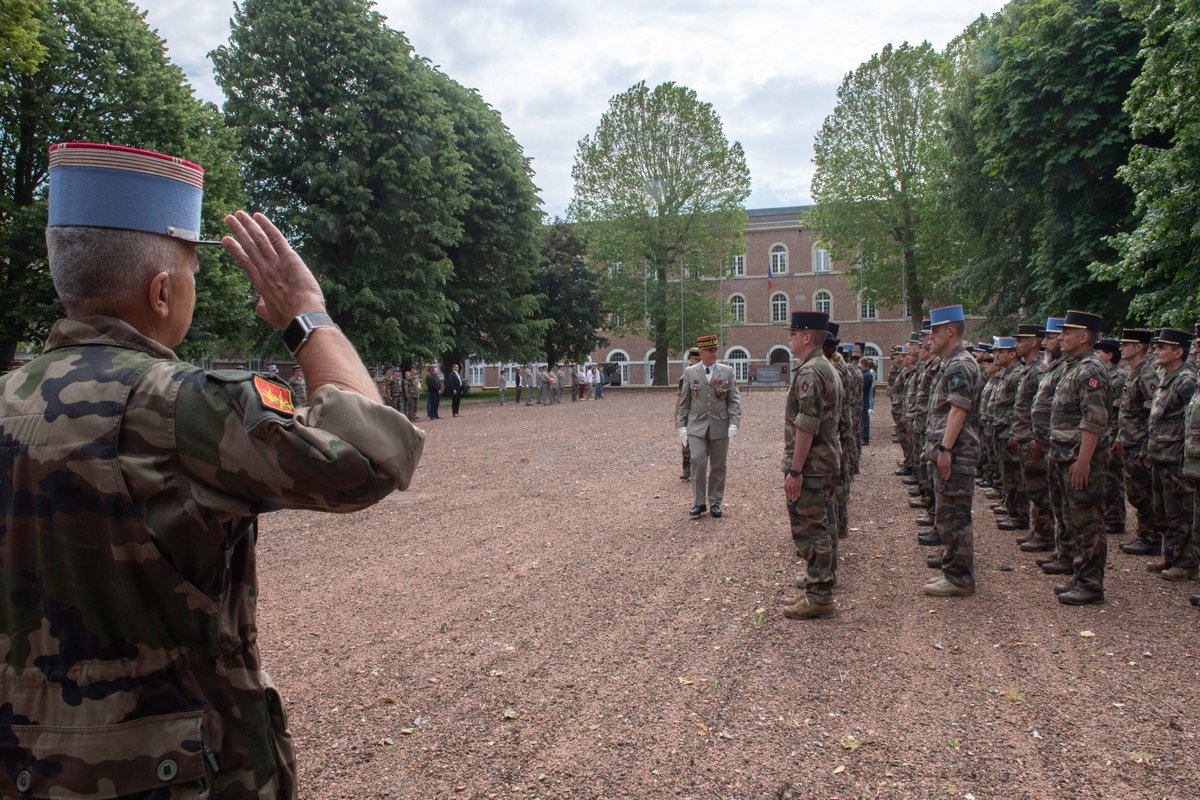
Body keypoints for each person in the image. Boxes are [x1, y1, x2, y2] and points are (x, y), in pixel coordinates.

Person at [0, 142, 426, 798]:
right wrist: (307, 319)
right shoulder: (177, 406)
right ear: (162, 290)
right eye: (192, 270)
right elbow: (371, 457)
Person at [1046, 310, 1112, 605]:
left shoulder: (1091, 370)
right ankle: (1079, 575)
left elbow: (1093, 420)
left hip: (1081, 459)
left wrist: (1083, 461)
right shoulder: (1072, 367)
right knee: (1072, 520)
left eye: (1068, 333)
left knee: (1087, 521)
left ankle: (1091, 584)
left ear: (1084, 337)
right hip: (1065, 456)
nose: (1062, 337)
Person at [780, 311, 842, 620]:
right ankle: (820, 581)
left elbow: (806, 425)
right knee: (821, 526)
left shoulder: (810, 373)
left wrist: (795, 470)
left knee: (811, 529)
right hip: (824, 463)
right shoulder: (824, 367)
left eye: (793, 333)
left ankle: (819, 596)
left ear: (807, 337)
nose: (789, 337)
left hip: (812, 467)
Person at [922, 305, 984, 597]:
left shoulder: (960, 364)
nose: (931, 337)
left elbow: (958, 411)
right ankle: (953, 570)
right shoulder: (950, 362)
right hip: (948, 451)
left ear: (950, 331)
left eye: (935, 331)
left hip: (956, 452)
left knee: (956, 516)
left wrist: (945, 449)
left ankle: (960, 578)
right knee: (947, 514)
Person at [1144, 327, 1197, 581]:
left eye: (1163, 347)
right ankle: (1170, 554)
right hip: (1161, 453)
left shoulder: (1187, 380)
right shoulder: (1168, 375)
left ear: (1178, 352)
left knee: (1180, 511)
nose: (1156, 350)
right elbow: (1156, 418)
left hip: (1175, 456)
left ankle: (1186, 562)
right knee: (1163, 509)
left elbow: (1190, 421)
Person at [677, 334, 741, 519]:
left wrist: (734, 423)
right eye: (710, 350)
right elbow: (685, 402)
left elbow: (734, 400)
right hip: (696, 425)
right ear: (702, 352)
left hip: (720, 424)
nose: (715, 353)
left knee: (719, 465)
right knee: (698, 460)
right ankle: (698, 503)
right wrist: (682, 426)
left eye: (715, 349)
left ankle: (715, 502)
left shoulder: (727, 371)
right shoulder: (690, 372)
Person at [1117, 328, 1160, 555]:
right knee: (1135, 492)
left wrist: (1147, 446)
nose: (1121, 347)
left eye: (1126, 344)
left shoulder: (1147, 375)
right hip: (1130, 440)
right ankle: (1145, 534)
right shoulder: (1133, 373)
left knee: (1143, 493)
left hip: (1140, 442)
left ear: (1139, 347)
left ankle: (1151, 537)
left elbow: (1154, 413)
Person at [677, 348, 702, 480]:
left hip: (701, 414)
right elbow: (680, 398)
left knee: (701, 444)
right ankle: (687, 470)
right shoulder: (684, 377)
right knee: (686, 443)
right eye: (691, 363)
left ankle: (697, 469)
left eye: (695, 362)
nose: (692, 365)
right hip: (688, 414)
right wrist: (677, 416)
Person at [860, 356, 875, 445]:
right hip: (864, 399)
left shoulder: (867, 375)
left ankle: (865, 438)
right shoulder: (866, 374)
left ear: (863, 365)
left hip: (864, 400)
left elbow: (862, 388)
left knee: (865, 419)